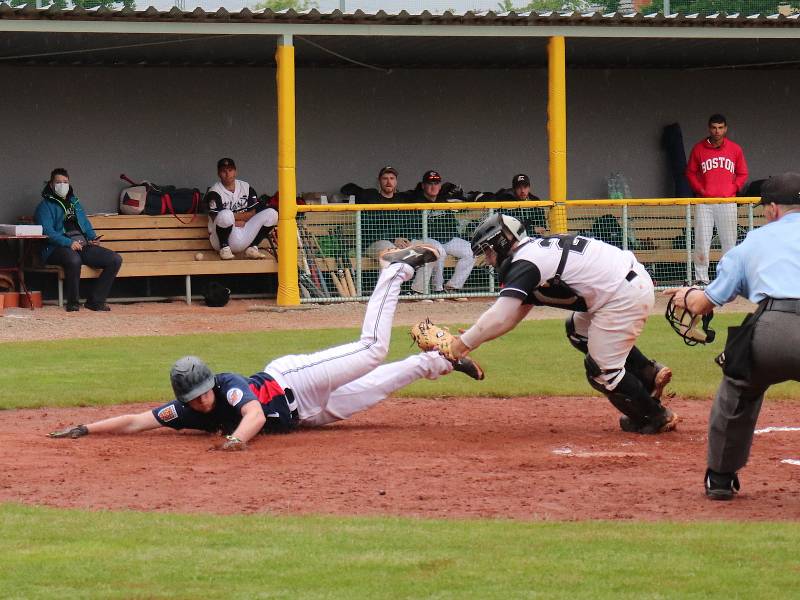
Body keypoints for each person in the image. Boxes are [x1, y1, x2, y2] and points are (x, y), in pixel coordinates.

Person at [48, 244, 484, 449]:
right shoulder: (183, 408)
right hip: (311, 415)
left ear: (209, 385)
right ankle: (439, 359)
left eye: (200, 394)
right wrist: (87, 428)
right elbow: (136, 422)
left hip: (296, 379)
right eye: (191, 398)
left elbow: (253, 414)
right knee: (389, 379)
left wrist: (235, 441)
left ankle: (396, 271)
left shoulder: (230, 386)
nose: (198, 403)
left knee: (372, 350)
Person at [445, 213, 676, 434]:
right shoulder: (532, 253)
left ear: (502, 243)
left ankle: (654, 416)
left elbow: (500, 315)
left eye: (488, 251)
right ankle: (648, 374)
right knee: (578, 331)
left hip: (621, 295)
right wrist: (476, 337)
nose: (488, 259)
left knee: (602, 372)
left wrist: (460, 346)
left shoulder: (526, 262)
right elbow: (511, 315)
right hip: (623, 286)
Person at [663, 173, 800, 500]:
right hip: (777, 323)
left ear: (772, 210)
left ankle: (721, 479)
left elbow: (705, 302)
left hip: (774, 330)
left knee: (738, 389)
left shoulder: (755, 240)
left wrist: (687, 295)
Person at [34, 168, 123, 312]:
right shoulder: (44, 206)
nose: (62, 185)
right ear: (51, 184)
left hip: (81, 244)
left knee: (114, 259)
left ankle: (95, 301)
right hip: (56, 248)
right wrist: (68, 243)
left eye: (65, 182)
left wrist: (92, 238)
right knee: (74, 259)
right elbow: (47, 232)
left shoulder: (75, 203)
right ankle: (73, 302)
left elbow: (85, 224)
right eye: (58, 182)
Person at [685, 114, 748, 285]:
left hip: (727, 201)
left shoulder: (735, 149)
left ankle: (728, 279)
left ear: (726, 129)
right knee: (701, 240)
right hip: (704, 202)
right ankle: (701, 279)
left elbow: (743, 173)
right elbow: (690, 172)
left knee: (729, 242)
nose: (717, 131)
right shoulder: (698, 149)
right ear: (709, 128)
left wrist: (734, 188)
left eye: (720, 127)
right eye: (714, 127)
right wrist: (700, 189)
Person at [405, 170, 475, 296]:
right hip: (425, 238)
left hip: (445, 239)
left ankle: (453, 287)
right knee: (439, 251)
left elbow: (452, 224)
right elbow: (414, 227)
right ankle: (438, 289)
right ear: (423, 185)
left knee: (471, 251)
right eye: (430, 183)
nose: (433, 186)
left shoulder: (443, 200)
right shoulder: (416, 201)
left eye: (436, 183)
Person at [204, 158, 278, 260]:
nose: (227, 173)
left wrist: (234, 219)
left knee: (272, 214)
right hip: (219, 238)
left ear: (235, 172)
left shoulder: (246, 187)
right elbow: (216, 218)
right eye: (223, 171)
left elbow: (252, 213)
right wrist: (236, 221)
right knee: (225, 214)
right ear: (219, 174)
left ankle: (252, 248)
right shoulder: (214, 192)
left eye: (230, 170)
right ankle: (224, 248)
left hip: (243, 233)